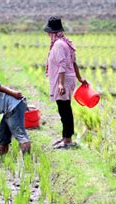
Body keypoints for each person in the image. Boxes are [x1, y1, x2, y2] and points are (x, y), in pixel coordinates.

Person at [44, 16, 87, 149]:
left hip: (63, 81)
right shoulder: (64, 42)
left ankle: (68, 140)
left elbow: (62, 65)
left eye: (49, 32)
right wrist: (79, 78)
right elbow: (73, 62)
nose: (47, 34)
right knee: (64, 109)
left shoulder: (58, 45)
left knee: (65, 110)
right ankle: (65, 137)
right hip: (67, 79)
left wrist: (61, 84)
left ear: (52, 32)